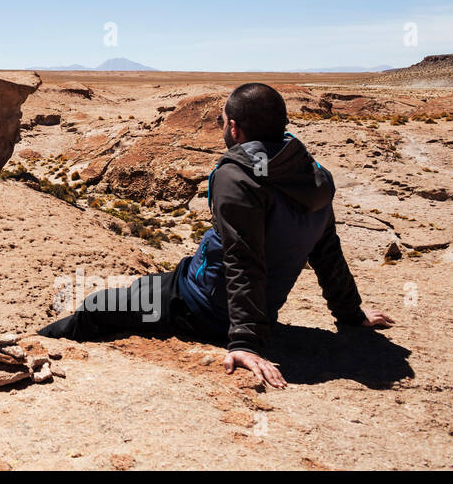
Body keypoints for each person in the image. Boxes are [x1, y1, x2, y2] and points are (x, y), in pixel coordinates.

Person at [38, 82, 395, 388]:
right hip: (219, 292)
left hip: (202, 307)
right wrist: (350, 313)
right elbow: (326, 248)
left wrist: (244, 342)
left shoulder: (236, 178)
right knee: (147, 285)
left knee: (97, 306)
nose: (222, 127)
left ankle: (33, 345)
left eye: (223, 121)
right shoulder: (314, 176)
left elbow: (243, 258)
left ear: (235, 128)